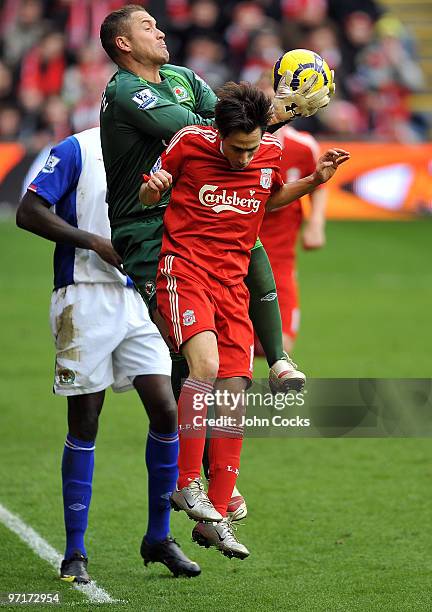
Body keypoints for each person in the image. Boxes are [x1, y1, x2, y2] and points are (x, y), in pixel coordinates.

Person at [139, 82, 350, 559]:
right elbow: (148, 195)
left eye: (252, 148)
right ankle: (187, 482)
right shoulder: (188, 143)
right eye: (236, 149)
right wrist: (154, 189)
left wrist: (315, 179)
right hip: (185, 271)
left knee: (235, 392)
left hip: (234, 285)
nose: (244, 158)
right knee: (206, 368)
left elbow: (268, 200)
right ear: (218, 134)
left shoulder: (269, 153)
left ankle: (215, 514)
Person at [98, 4, 332, 402]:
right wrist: (278, 110)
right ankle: (192, 449)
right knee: (182, 346)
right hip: (146, 222)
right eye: (148, 28)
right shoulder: (125, 91)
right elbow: (205, 131)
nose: (161, 33)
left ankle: (277, 359)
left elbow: (230, 127)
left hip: (191, 207)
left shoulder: (181, 77)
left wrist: (279, 111)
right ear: (124, 43)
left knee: (249, 244)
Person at [16, 127, 201, 582]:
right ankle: (75, 550)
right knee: (86, 419)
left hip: (140, 295)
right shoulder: (78, 148)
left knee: (164, 408)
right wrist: (93, 241)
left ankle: (158, 537)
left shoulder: (163, 150)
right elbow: (28, 211)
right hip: (84, 295)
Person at [258, 125, 327, 354]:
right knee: (235, 350)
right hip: (235, 257)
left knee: (282, 347)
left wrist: (316, 223)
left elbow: (319, 183)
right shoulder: (237, 145)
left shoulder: (303, 146)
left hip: (280, 259)